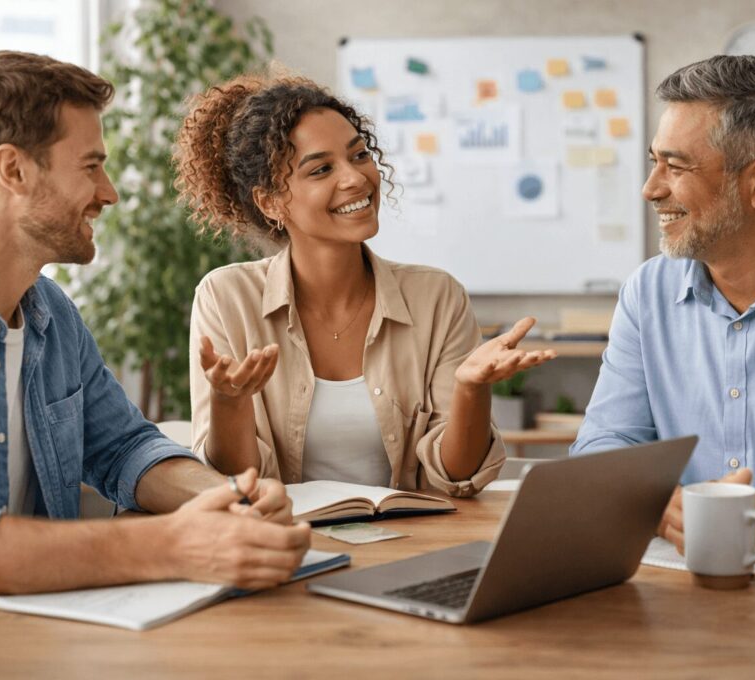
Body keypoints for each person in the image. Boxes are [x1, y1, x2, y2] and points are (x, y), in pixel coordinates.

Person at [0, 51, 310, 658]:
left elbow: (125, 448)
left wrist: (224, 501)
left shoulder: (51, 314)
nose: (108, 193)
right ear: (13, 170)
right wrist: (171, 545)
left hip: (35, 648)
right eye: (91, 166)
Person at [175, 74, 555, 495]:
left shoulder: (437, 297)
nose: (356, 178)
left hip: (412, 533)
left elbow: (456, 478)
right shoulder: (227, 298)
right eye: (321, 169)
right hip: (284, 533)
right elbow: (235, 482)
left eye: (359, 155)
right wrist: (228, 402)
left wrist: (471, 389)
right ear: (271, 202)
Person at [572, 55, 755, 551]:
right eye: (654, 162)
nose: (650, 189)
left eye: (676, 166)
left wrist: (736, 516)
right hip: (674, 577)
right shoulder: (647, 292)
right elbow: (604, 443)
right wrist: (658, 503)